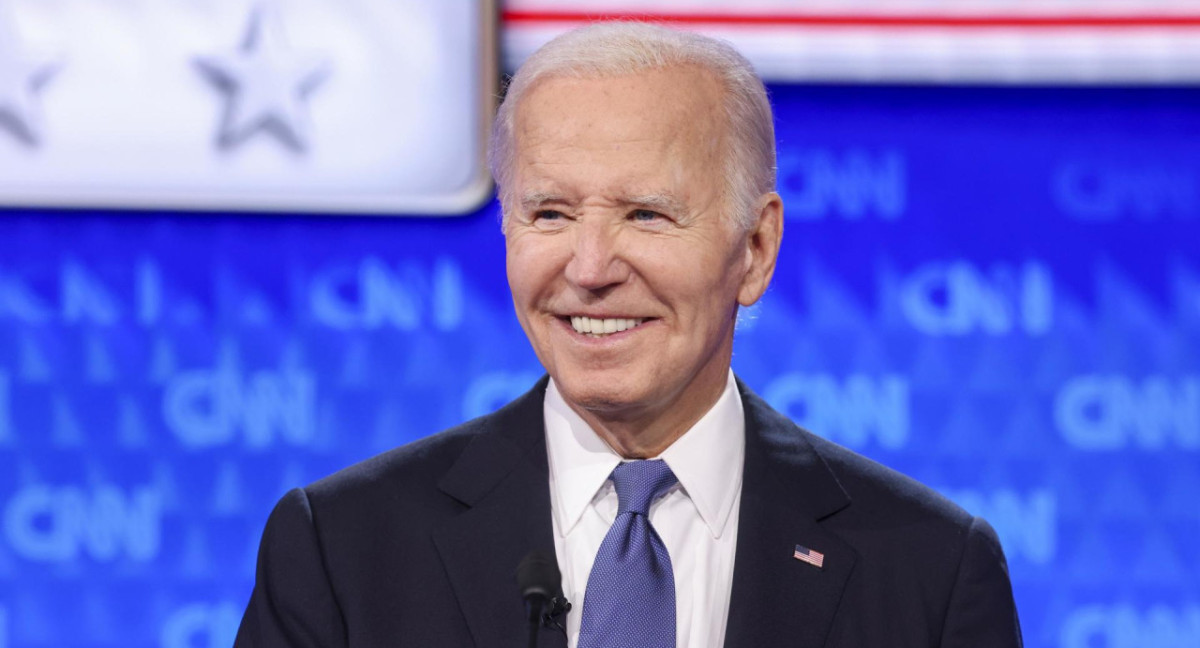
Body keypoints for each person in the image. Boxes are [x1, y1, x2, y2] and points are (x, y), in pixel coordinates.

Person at [235, 22, 1022, 648]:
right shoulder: (342, 551)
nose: (589, 267)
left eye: (646, 214)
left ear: (755, 249)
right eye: (550, 213)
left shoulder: (928, 571)